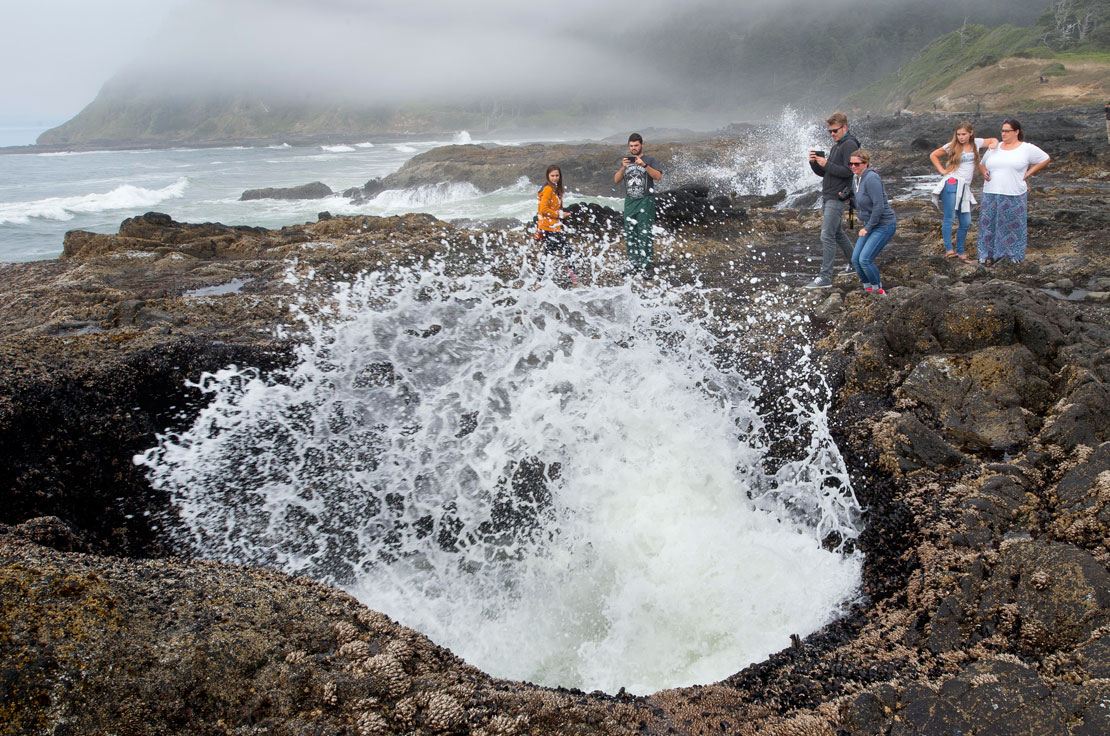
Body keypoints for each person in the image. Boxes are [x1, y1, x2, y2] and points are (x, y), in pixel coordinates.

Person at [977, 118, 1050, 264]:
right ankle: (986, 255)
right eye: (1002, 131)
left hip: (1014, 193)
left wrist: (1029, 173)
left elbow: (1045, 158)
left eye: (1007, 131)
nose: (1003, 134)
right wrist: (984, 173)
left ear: (1016, 132)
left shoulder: (1026, 148)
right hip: (991, 192)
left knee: (1012, 225)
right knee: (988, 224)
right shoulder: (994, 148)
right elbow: (981, 163)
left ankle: (1012, 256)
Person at [928, 122, 997, 262]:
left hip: (965, 187)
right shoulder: (952, 146)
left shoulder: (976, 143)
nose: (961, 137)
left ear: (971, 133)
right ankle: (949, 250)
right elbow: (933, 155)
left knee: (966, 222)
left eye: (964, 134)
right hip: (952, 183)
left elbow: (992, 140)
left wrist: (994, 144)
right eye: (958, 134)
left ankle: (960, 252)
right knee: (949, 217)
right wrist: (942, 170)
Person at [806, 112, 860, 288]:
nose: (832, 134)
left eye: (835, 131)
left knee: (827, 235)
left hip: (838, 197)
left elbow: (849, 171)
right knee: (837, 233)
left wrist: (826, 164)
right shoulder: (837, 146)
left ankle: (825, 277)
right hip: (829, 195)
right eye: (830, 131)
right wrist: (815, 163)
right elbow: (827, 172)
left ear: (844, 127)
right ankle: (855, 264)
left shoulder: (849, 144)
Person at [613, 133, 662, 276]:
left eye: (636, 145)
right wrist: (623, 168)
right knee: (631, 234)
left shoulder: (650, 160)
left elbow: (658, 176)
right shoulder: (626, 162)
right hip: (630, 201)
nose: (633, 148)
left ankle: (646, 266)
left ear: (642, 145)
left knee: (644, 233)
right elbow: (616, 180)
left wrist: (644, 165)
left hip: (645, 200)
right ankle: (634, 265)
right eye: (631, 146)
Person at [848, 151, 897, 294]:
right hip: (870, 225)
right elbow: (862, 202)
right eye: (850, 164)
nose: (853, 166)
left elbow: (879, 206)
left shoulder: (871, 178)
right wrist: (848, 200)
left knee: (865, 260)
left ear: (866, 164)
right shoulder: (856, 178)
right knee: (855, 259)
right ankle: (868, 288)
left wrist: (867, 228)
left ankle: (878, 290)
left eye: (857, 164)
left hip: (884, 225)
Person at [535, 164, 576, 282]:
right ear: (548, 176)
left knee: (548, 254)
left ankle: (538, 281)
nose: (555, 178)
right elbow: (543, 209)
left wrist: (562, 215)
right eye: (552, 176)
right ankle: (575, 280)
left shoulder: (556, 188)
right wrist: (560, 215)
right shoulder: (548, 189)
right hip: (549, 227)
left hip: (551, 226)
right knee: (567, 251)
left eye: (557, 175)